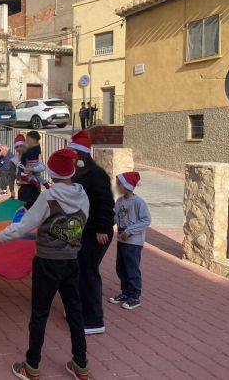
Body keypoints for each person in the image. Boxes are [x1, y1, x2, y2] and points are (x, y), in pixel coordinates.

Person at [0, 148, 91, 380]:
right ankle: (80, 364)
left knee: (40, 314)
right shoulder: (83, 195)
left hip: (48, 263)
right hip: (71, 261)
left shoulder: (49, 197)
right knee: (75, 313)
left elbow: (24, 226)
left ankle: (32, 366)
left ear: (51, 171)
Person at [68, 130, 115, 335]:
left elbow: (106, 203)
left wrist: (102, 228)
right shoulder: (79, 173)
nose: (71, 157)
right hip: (82, 229)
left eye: (73, 153)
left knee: (88, 272)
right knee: (78, 270)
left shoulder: (97, 175)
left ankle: (94, 320)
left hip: (96, 232)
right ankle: (80, 311)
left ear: (82, 155)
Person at [109, 171, 151, 310]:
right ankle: (125, 293)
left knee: (132, 268)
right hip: (122, 241)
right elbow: (115, 217)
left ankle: (134, 296)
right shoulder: (120, 201)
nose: (117, 187)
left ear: (127, 186)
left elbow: (146, 220)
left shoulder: (138, 203)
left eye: (118, 185)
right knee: (121, 267)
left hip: (133, 243)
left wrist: (129, 231)